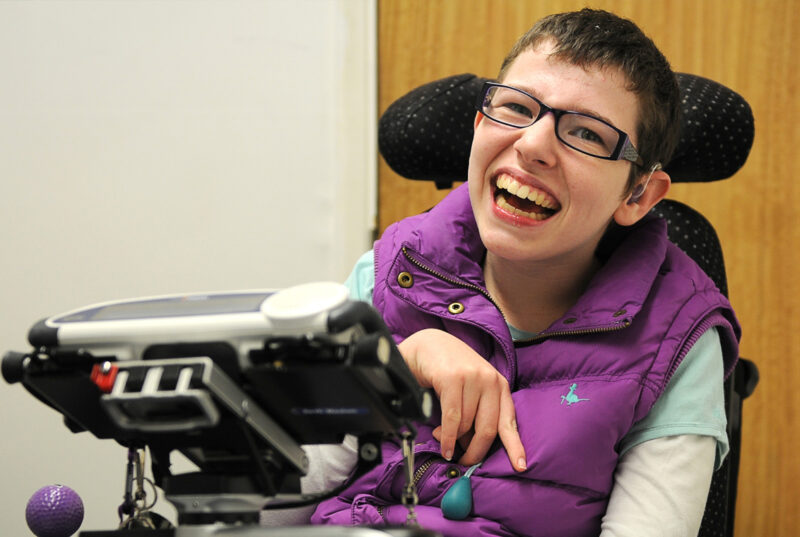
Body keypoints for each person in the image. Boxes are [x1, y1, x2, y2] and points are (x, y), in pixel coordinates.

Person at [265, 8, 741, 537]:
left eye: (586, 133)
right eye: (515, 108)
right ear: (478, 127)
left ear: (637, 195)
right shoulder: (387, 272)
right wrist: (386, 368)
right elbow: (271, 513)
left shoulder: (681, 340)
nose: (533, 145)